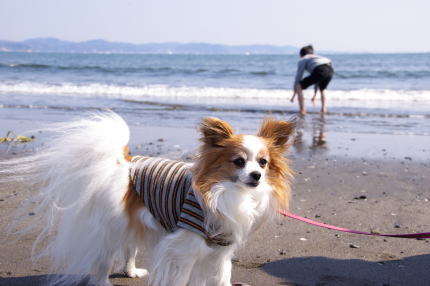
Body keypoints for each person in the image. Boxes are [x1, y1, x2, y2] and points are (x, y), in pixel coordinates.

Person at [293, 45, 333, 115]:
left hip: (319, 70)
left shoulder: (303, 59)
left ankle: (302, 110)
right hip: (330, 70)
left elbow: (299, 76)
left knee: (299, 85)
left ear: (301, 54)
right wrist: (314, 94)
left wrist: (295, 90)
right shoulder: (318, 58)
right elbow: (317, 79)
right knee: (323, 88)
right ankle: (323, 109)